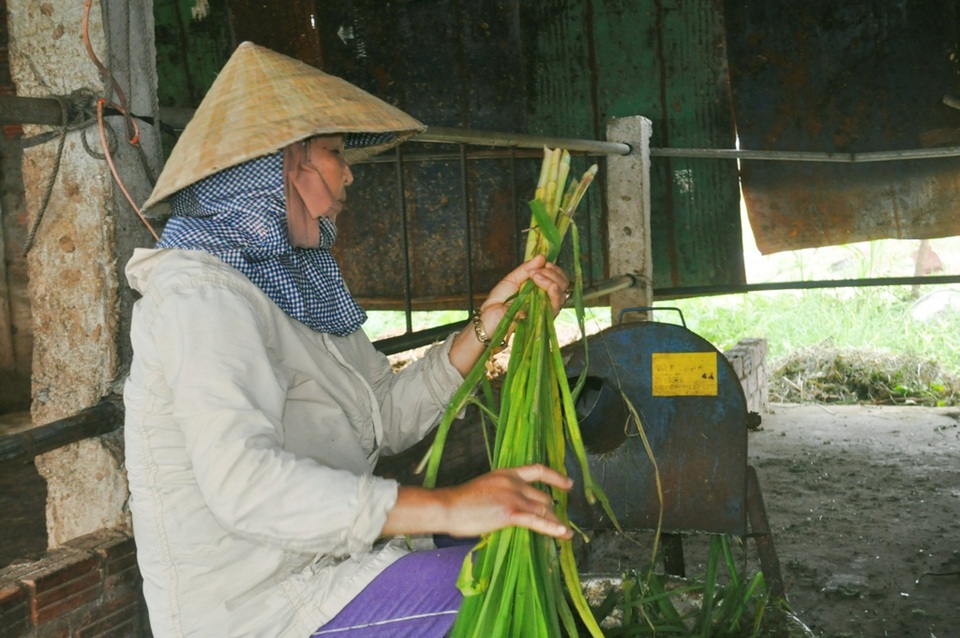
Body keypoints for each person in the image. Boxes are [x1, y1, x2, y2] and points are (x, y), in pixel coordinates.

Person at [123, 42, 573, 637]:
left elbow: (382, 416)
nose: (350, 172)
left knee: (517, 544)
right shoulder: (201, 298)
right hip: (261, 609)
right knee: (485, 589)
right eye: (335, 153)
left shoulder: (290, 277)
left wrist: (488, 325)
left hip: (328, 567)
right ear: (282, 168)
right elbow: (244, 486)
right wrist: (447, 505)